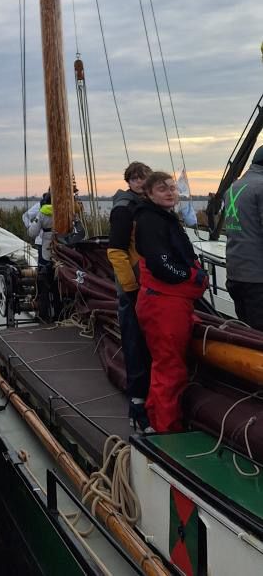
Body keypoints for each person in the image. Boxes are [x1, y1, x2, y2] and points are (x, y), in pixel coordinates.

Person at [134, 171, 208, 433]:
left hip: (169, 304)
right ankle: (167, 429)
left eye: (172, 188)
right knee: (170, 368)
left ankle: (156, 418)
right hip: (164, 305)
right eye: (162, 188)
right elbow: (160, 263)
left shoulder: (162, 217)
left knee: (165, 365)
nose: (170, 192)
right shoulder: (151, 221)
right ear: (149, 193)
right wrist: (190, 276)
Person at [107, 161, 153, 433]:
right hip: (134, 289)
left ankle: (153, 395)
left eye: (143, 177)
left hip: (150, 286)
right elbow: (116, 251)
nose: (139, 182)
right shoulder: (125, 208)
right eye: (135, 178)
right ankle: (137, 403)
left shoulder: (146, 206)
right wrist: (131, 288)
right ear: (129, 181)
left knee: (148, 342)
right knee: (135, 342)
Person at [224, 145, 263, 330]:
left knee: (246, 332)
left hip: (236, 274)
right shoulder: (261, 187)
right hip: (258, 280)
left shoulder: (234, 187)